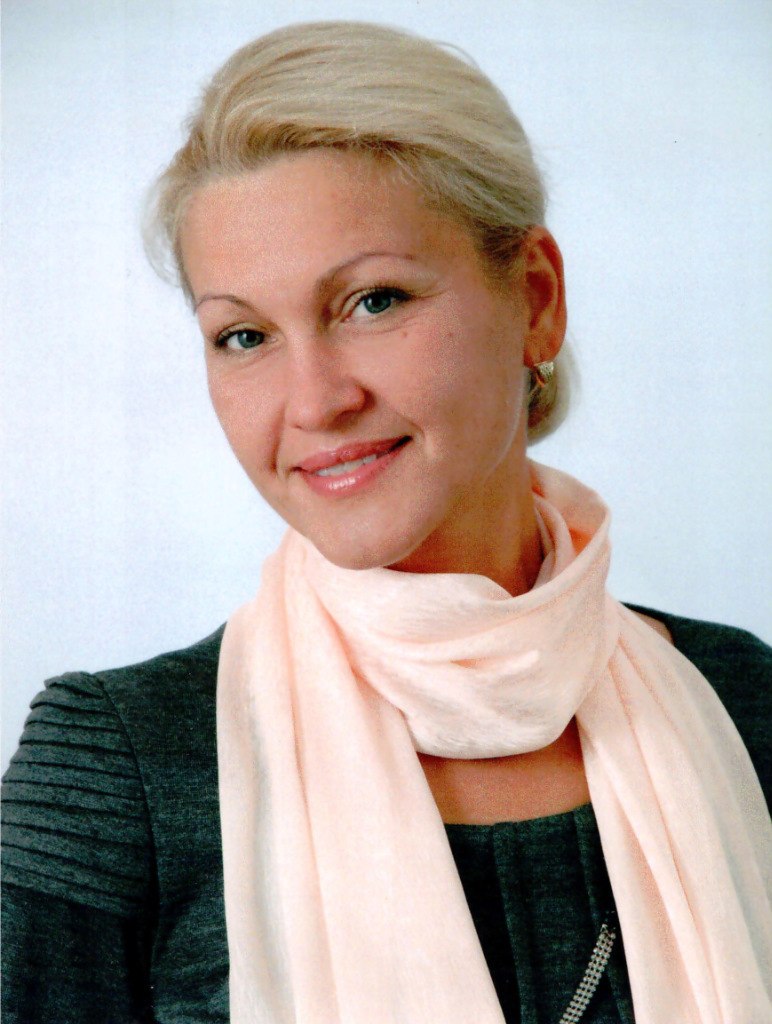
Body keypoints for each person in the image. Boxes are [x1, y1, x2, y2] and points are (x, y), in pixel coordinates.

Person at [2, 19, 770, 1024]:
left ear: (537, 300)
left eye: (372, 301)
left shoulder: (743, 699)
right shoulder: (117, 770)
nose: (315, 402)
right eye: (244, 335)